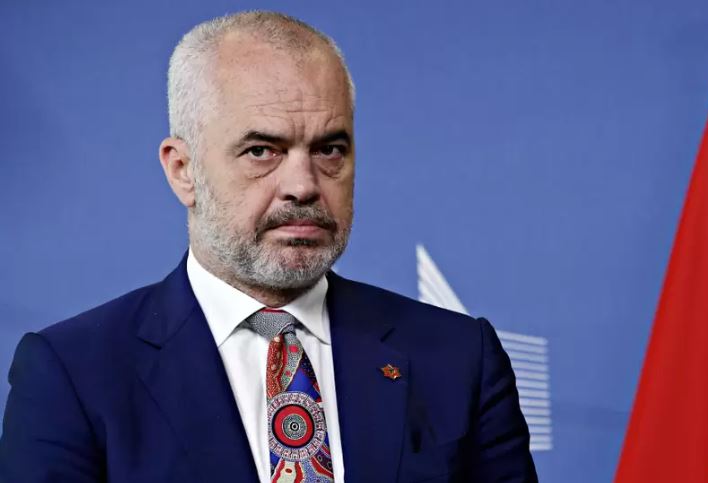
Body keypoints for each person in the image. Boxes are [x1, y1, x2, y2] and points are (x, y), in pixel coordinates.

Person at [0, 10, 537, 483]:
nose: (303, 185)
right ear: (182, 170)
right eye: (262, 150)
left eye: (330, 149)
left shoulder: (459, 358)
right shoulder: (73, 375)